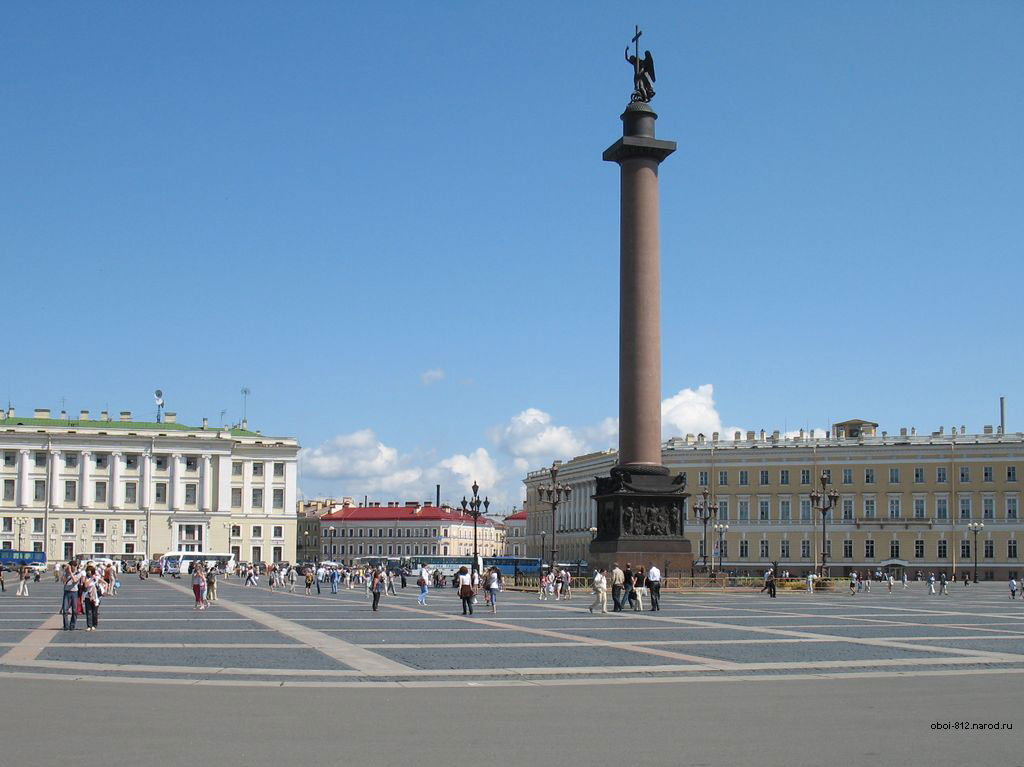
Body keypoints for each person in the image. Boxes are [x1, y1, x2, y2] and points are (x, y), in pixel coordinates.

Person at [61, 561, 81, 630]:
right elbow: (63, 581)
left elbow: (75, 581)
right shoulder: (66, 573)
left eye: (71, 566)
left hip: (74, 592)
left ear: (74, 566)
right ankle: (66, 626)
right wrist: (65, 572)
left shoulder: (78, 573)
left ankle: (72, 625)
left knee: (74, 610)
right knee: (65, 609)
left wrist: (71, 573)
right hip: (66, 592)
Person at [82, 565, 101, 631]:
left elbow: (102, 581)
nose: (89, 572)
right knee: (88, 611)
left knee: (94, 612)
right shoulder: (86, 578)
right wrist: (91, 579)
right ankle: (89, 626)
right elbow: (86, 585)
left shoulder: (96, 577)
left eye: (90, 571)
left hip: (95, 597)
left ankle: (94, 625)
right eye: (88, 571)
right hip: (88, 597)